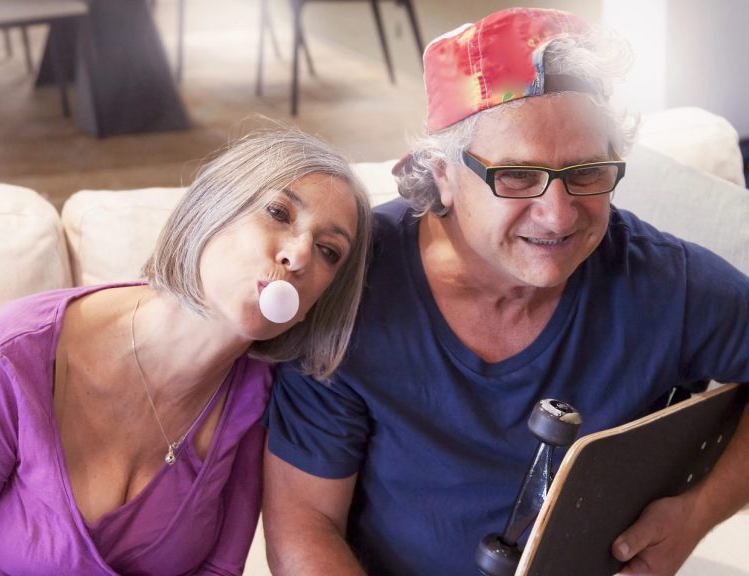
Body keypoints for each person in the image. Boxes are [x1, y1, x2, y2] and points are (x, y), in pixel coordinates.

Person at [263, 7, 749, 576]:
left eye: (587, 172)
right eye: (517, 176)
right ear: (440, 173)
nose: (558, 215)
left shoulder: (666, 286)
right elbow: (304, 525)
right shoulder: (351, 286)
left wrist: (697, 513)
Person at [0, 129, 371, 575]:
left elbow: (219, 568)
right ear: (212, 209)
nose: (299, 255)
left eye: (328, 251)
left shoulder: (260, 399)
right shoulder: (10, 355)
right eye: (279, 212)